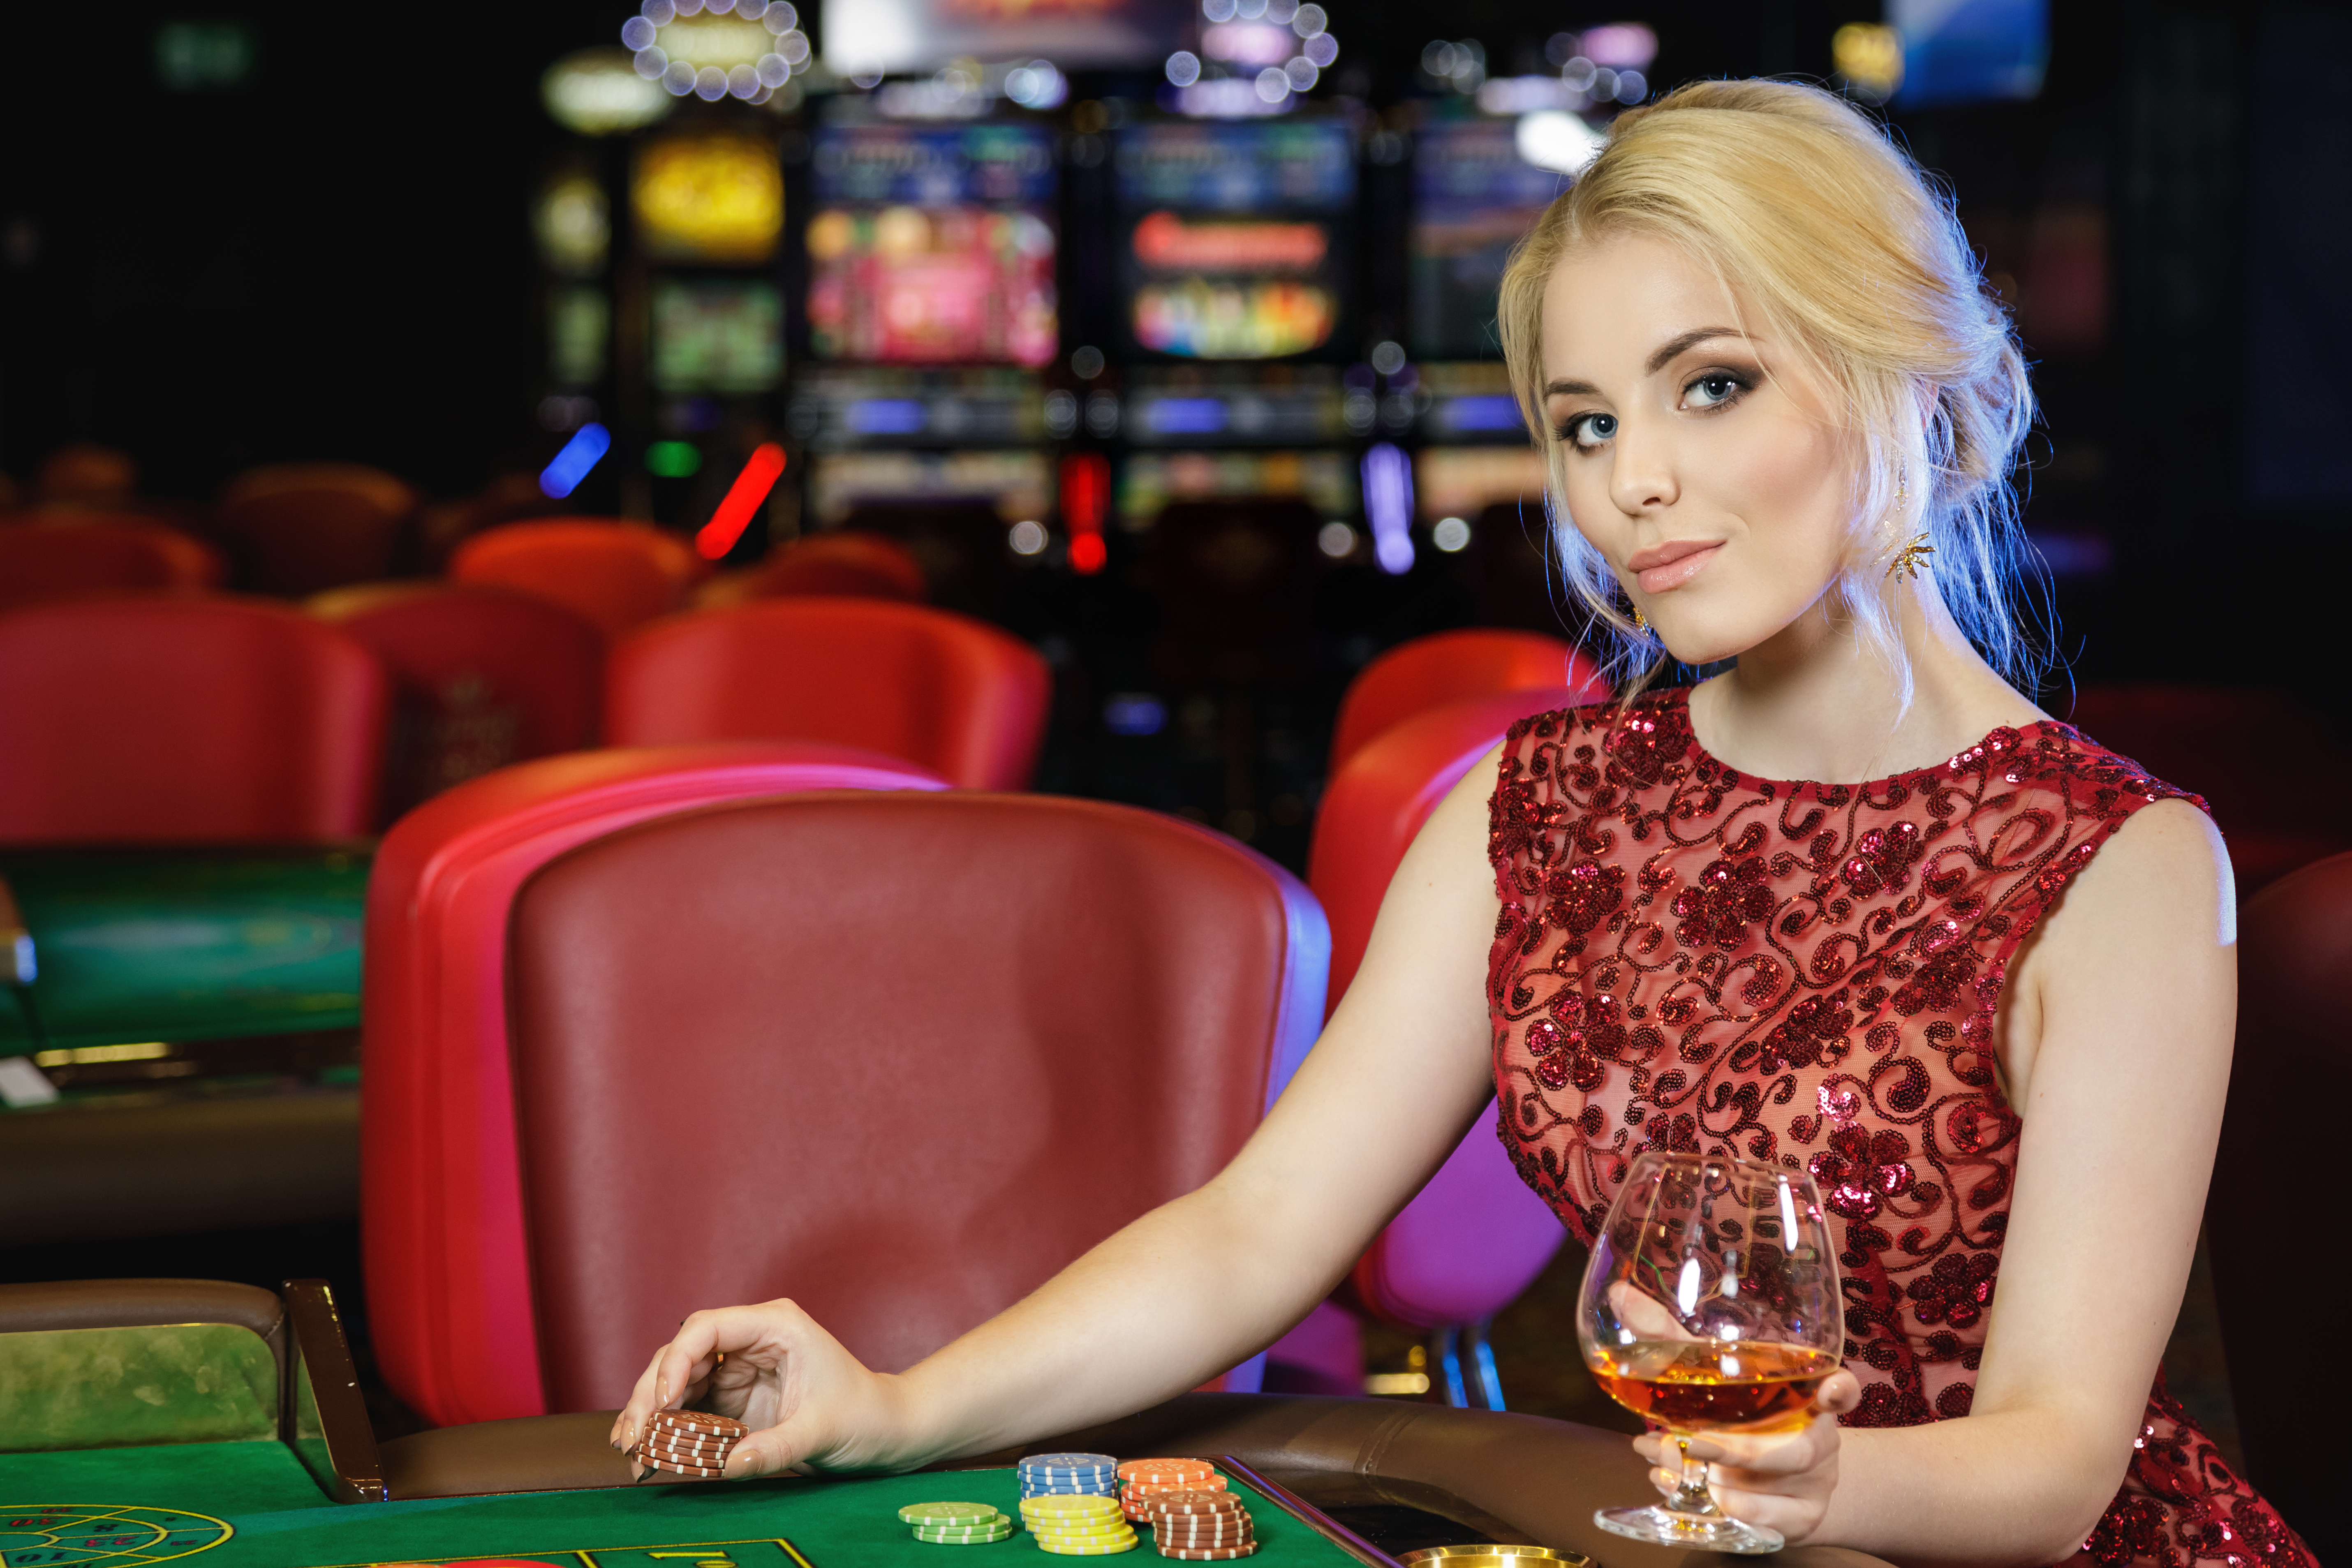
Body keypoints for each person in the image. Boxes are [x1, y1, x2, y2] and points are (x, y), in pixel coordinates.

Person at [613, 81, 2308, 1567]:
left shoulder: (2119, 862)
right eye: (1585, 422)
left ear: (1915, 392)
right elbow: (1257, 1233)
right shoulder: (1531, 812)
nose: (1628, 479)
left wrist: (1819, 1486)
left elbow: (2064, 1464)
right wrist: (899, 1401)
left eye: (1708, 386)